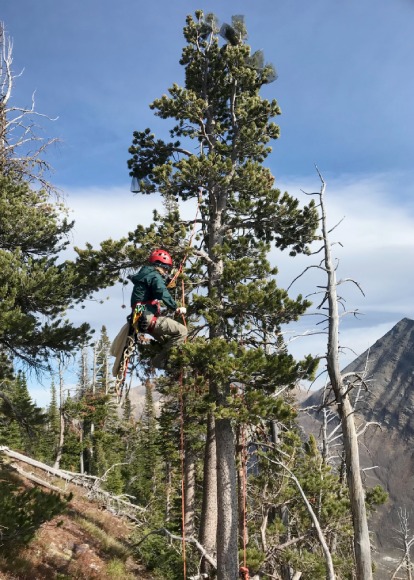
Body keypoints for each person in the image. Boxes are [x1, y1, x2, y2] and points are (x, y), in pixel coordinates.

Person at [128, 249, 187, 369]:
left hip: (141, 318)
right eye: (166, 269)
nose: (166, 272)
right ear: (160, 266)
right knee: (182, 331)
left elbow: (156, 287)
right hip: (148, 318)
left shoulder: (145, 275)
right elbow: (161, 292)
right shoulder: (155, 275)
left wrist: (167, 282)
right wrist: (176, 308)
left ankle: (168, 360)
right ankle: (158, 361)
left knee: (167, 341)